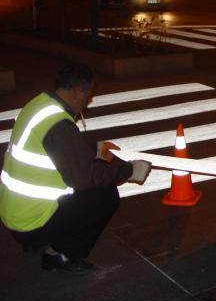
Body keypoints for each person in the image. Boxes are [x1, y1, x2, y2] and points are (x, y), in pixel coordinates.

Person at [0, 63, 152, 274]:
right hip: (31, 220)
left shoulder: (39, 104)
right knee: (104, 196)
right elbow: (83, 178)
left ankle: (44, 241)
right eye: (88, 95)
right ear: (77, 92)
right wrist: (130, 171)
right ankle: (61, 256)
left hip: (14, 211)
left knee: (93, 183)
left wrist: (95, 149)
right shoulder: (59, 125)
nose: (88, 101)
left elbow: (58, 147)